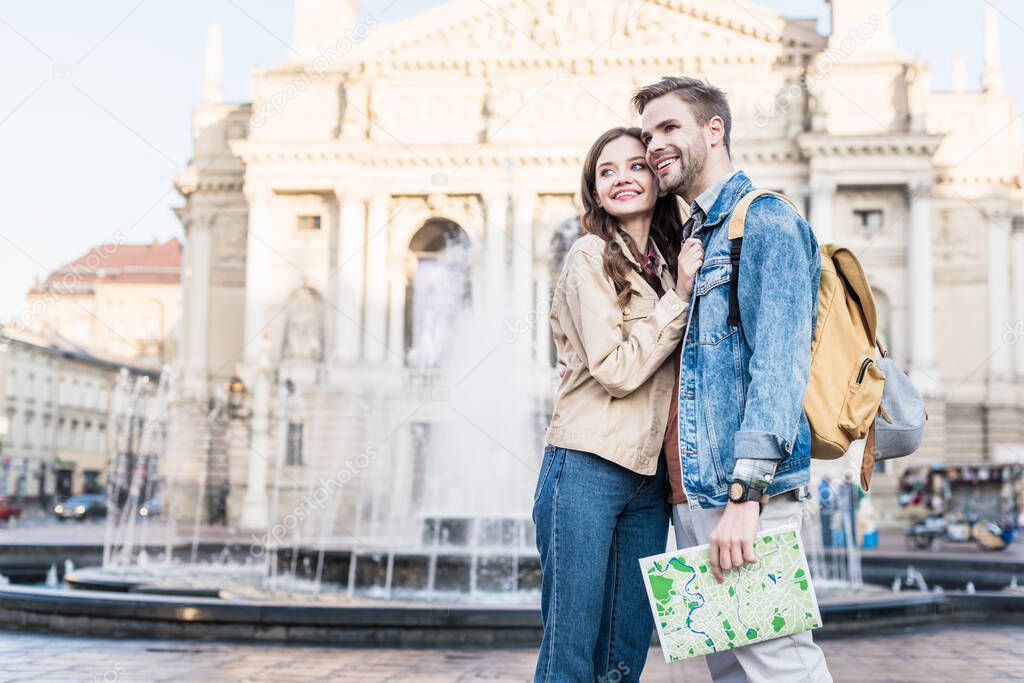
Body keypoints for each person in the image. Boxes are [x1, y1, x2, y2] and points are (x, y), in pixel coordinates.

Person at [635, 76, 833, 682]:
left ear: (714, 130)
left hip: (741, 493)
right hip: (696, 491)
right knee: (733, 672)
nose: (653, 147)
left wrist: (746, 499)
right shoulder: (699, 236)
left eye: (669, 128)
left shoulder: (764, 219)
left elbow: (779, 367)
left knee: (782, 665)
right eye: (648, 135)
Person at [533, 126, 704, 683]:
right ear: (594, 189)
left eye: (635, 166)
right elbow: (616, 371)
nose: (622, 179)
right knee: (572, 652)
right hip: (585, 466)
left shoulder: (671, 258)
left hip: (650, 479)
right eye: (607, 171)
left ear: (658, 176)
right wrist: (678, 298)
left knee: (624, 655)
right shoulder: (589, 256)